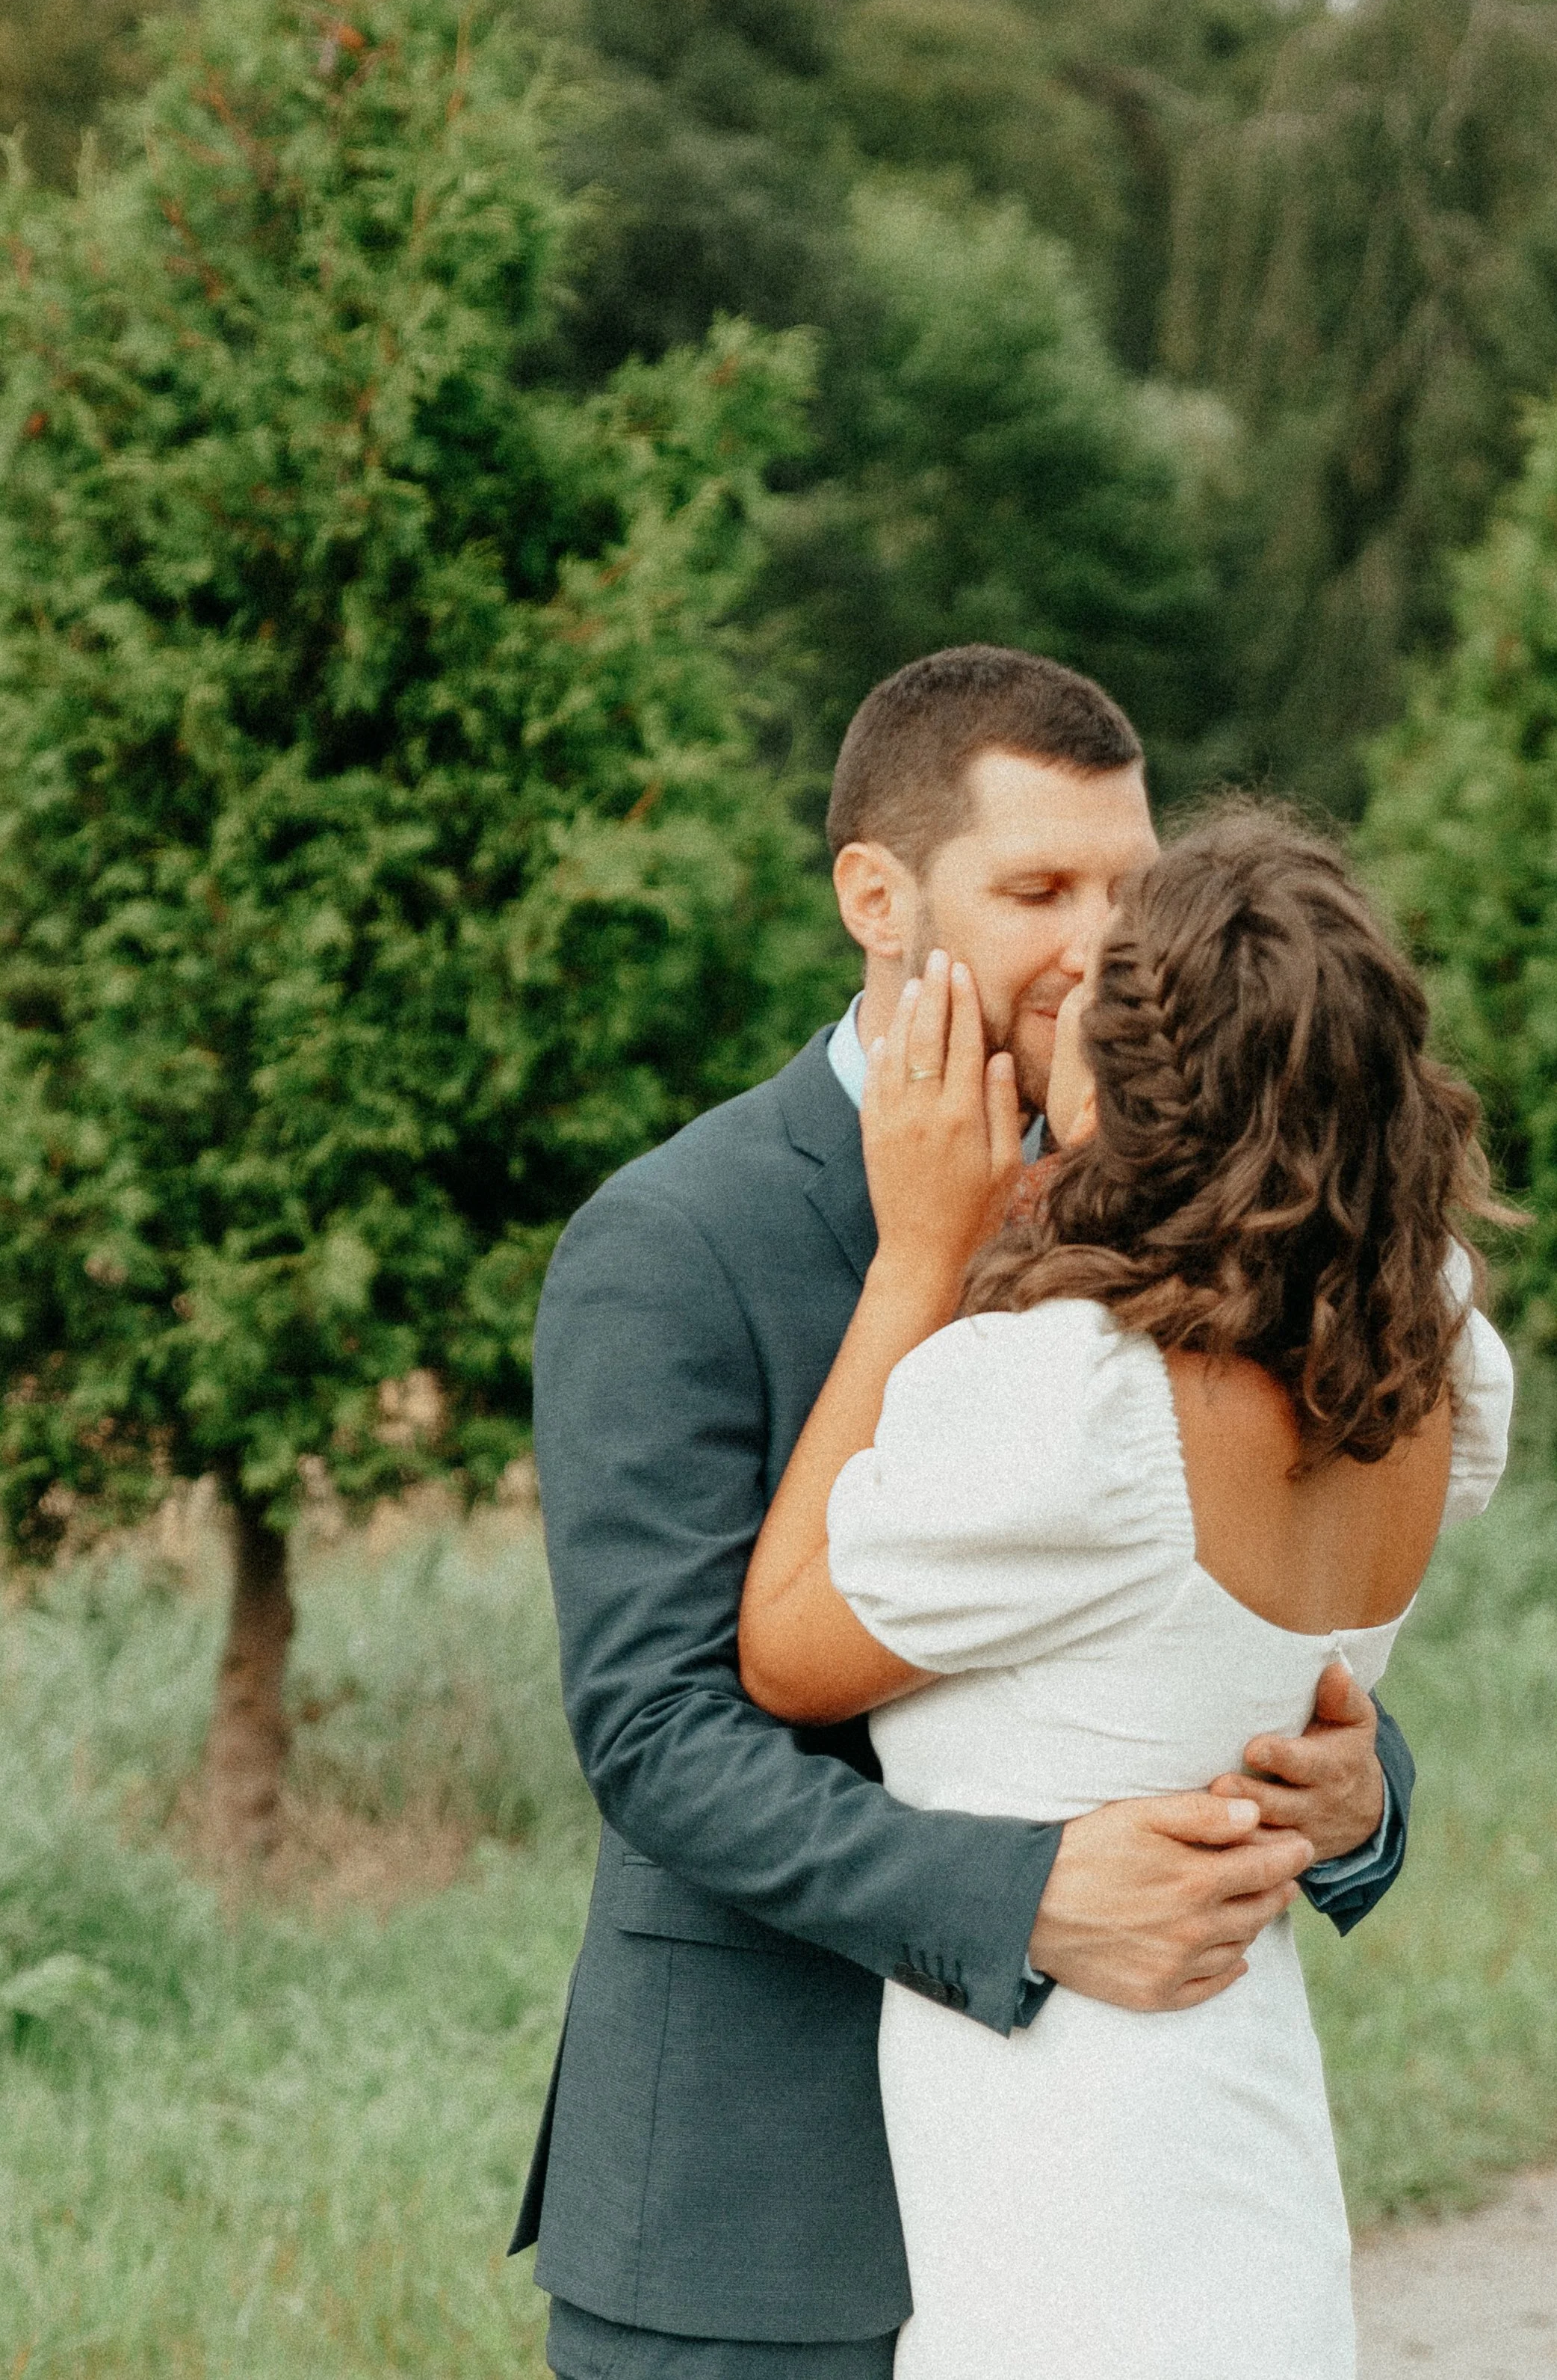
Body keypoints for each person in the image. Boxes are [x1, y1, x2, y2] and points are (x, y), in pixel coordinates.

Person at [514, 649, 1416, 2380]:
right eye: (1036, 891)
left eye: (1128, 889)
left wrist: (1358, 1784)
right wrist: (1021, 1898)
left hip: (1102, 2202)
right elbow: (653, 1733)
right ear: (875, 895)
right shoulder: (673, 1241)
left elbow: (1223, 1602)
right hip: (756, 2226)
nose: (1101, 946)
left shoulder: (1211, 1211)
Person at [737, 802, 1512, 2378]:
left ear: (1119, 1095)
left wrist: (913, 1263)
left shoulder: (1076, 1408)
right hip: (1243, 2138)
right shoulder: (1432, 1351)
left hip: (1062, 2192)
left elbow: (783, 1649)